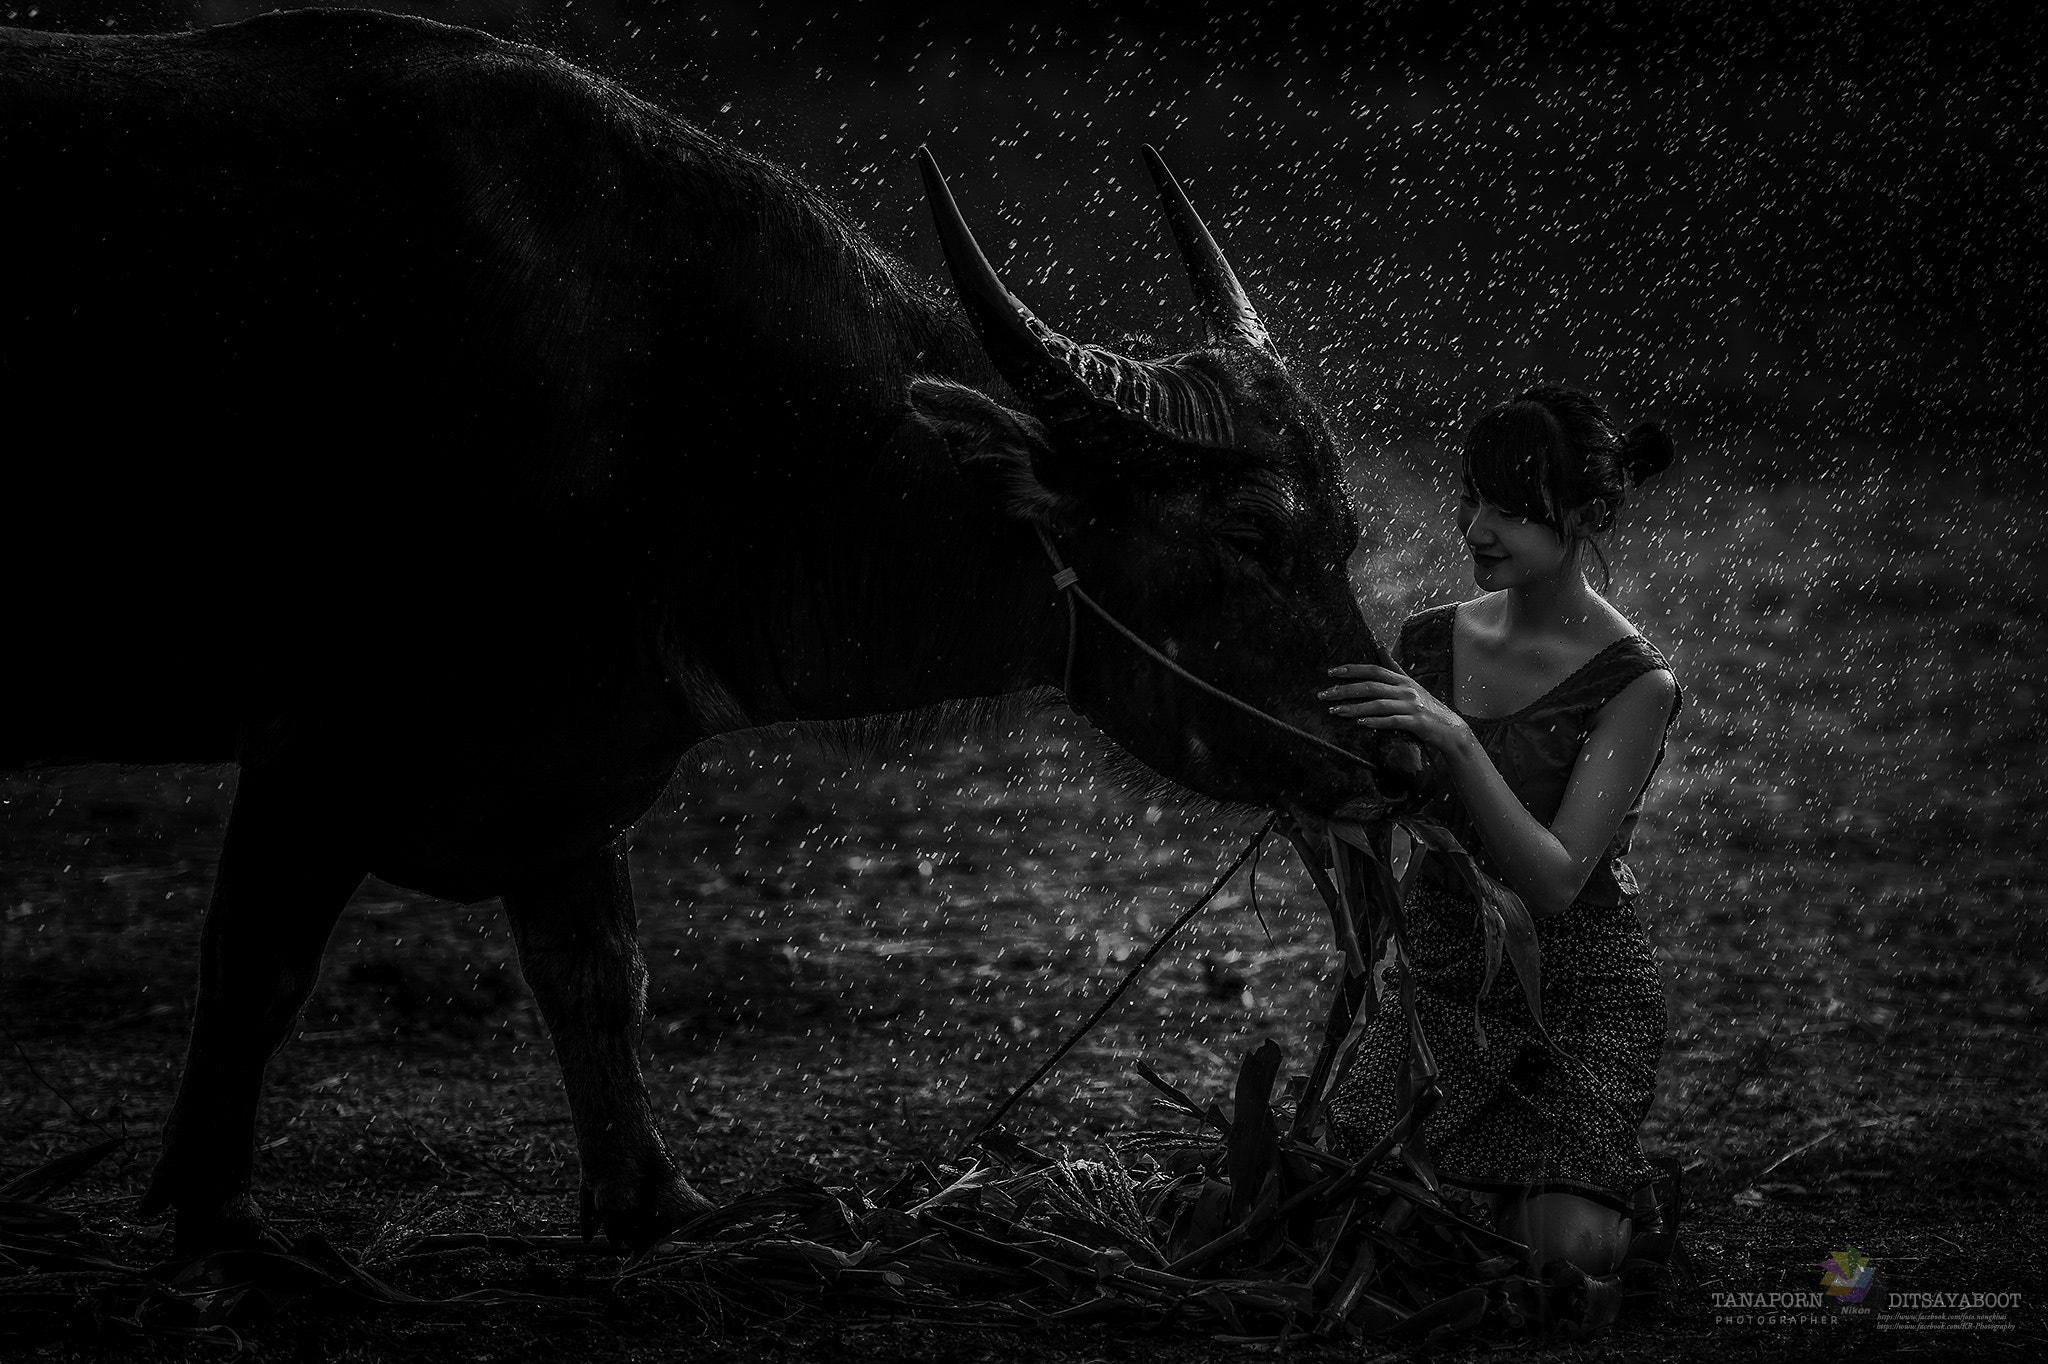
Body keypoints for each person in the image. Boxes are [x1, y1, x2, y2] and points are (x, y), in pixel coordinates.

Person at [1318, 383, 1680, 1280]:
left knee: (1557, 1266)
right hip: (1444, 976)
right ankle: (1497, 1190)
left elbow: (1555, 879)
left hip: (1577, 993)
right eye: (1472, 497)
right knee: (1376, 1230)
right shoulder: (1427, 645)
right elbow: (1370, 804)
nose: (1479, 528)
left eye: (1514, 511)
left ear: (1587, 516)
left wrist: (1450, 738)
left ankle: (1620, 1202)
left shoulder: (1636, 683)